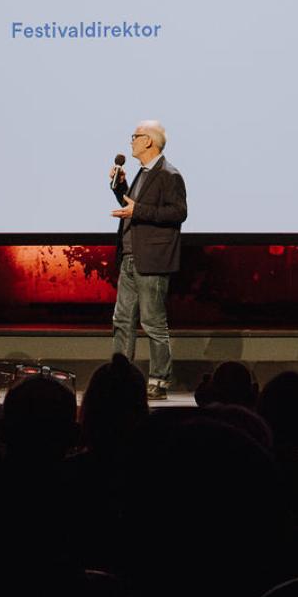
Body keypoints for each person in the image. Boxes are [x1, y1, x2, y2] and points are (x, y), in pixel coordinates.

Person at [108, 119, 187, 397]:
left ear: (148, 141)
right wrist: (120, 188)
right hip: (130, 257)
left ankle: (159, 381)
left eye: (135, 136)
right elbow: (133, 208)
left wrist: (137, 210)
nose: (131, 141)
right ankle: (120, 377)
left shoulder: (169, 174)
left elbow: (178, 213)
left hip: (152, 260)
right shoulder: (142, 173)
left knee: (153, 323)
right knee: (122, 321)